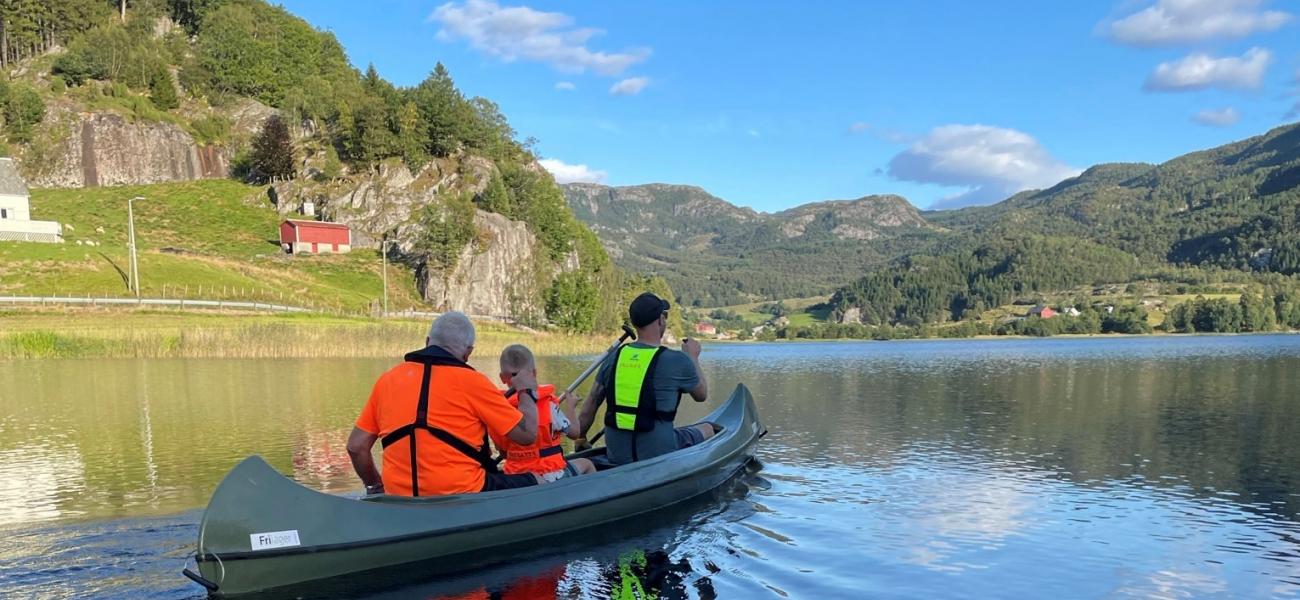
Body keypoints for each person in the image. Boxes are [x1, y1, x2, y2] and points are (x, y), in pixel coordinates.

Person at [346, 312, 542, 496]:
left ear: (427, 342)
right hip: (464, 493)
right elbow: (526, 435)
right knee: (539, 480)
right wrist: (526, 391)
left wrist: (375, 486)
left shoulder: (387, 380)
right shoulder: (474, 382)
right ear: (468, 353)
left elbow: (356, 447)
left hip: (399, 496)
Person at [577, 292, 714, 465]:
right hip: (659, 451)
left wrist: (580, 439)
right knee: (708, 428)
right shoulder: (677, 360)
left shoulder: (614, 357)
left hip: (616, 454)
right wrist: (692, 357)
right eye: (664, 315)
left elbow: (589, 407)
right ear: (660, 320)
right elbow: (701, 395)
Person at [494, 344, 596, 481]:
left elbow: (504, 453)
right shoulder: (548, 405)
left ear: (502, 378)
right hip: (552, 474)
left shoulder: (499, 410)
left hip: (517, 477)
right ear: (534, 374)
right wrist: (571, 407)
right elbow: (575, 433)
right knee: (587, 464)